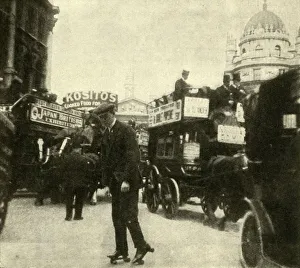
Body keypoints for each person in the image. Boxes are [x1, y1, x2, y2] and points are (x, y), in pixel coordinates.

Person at [91, 103, 153, 264]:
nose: (103, 120)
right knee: (117, 217)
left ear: (113, 114)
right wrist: (105, 183)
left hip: (128, 182)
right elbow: (105, 161)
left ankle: (141, 246)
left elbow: (133, 158)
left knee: (129, 216)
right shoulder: (107, 133)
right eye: (101, 118)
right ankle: (122, 250)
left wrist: (125, 179)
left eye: (105, 117)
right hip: (115, 182)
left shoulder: (126, 131)